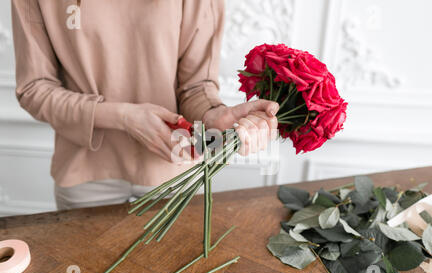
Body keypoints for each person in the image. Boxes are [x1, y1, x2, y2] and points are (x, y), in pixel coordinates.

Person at [11, 0, 278, 210]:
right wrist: (124, 117)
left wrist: (218, 116)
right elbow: (34, 89)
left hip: (175, 173)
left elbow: (196, 88)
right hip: (85, 176)